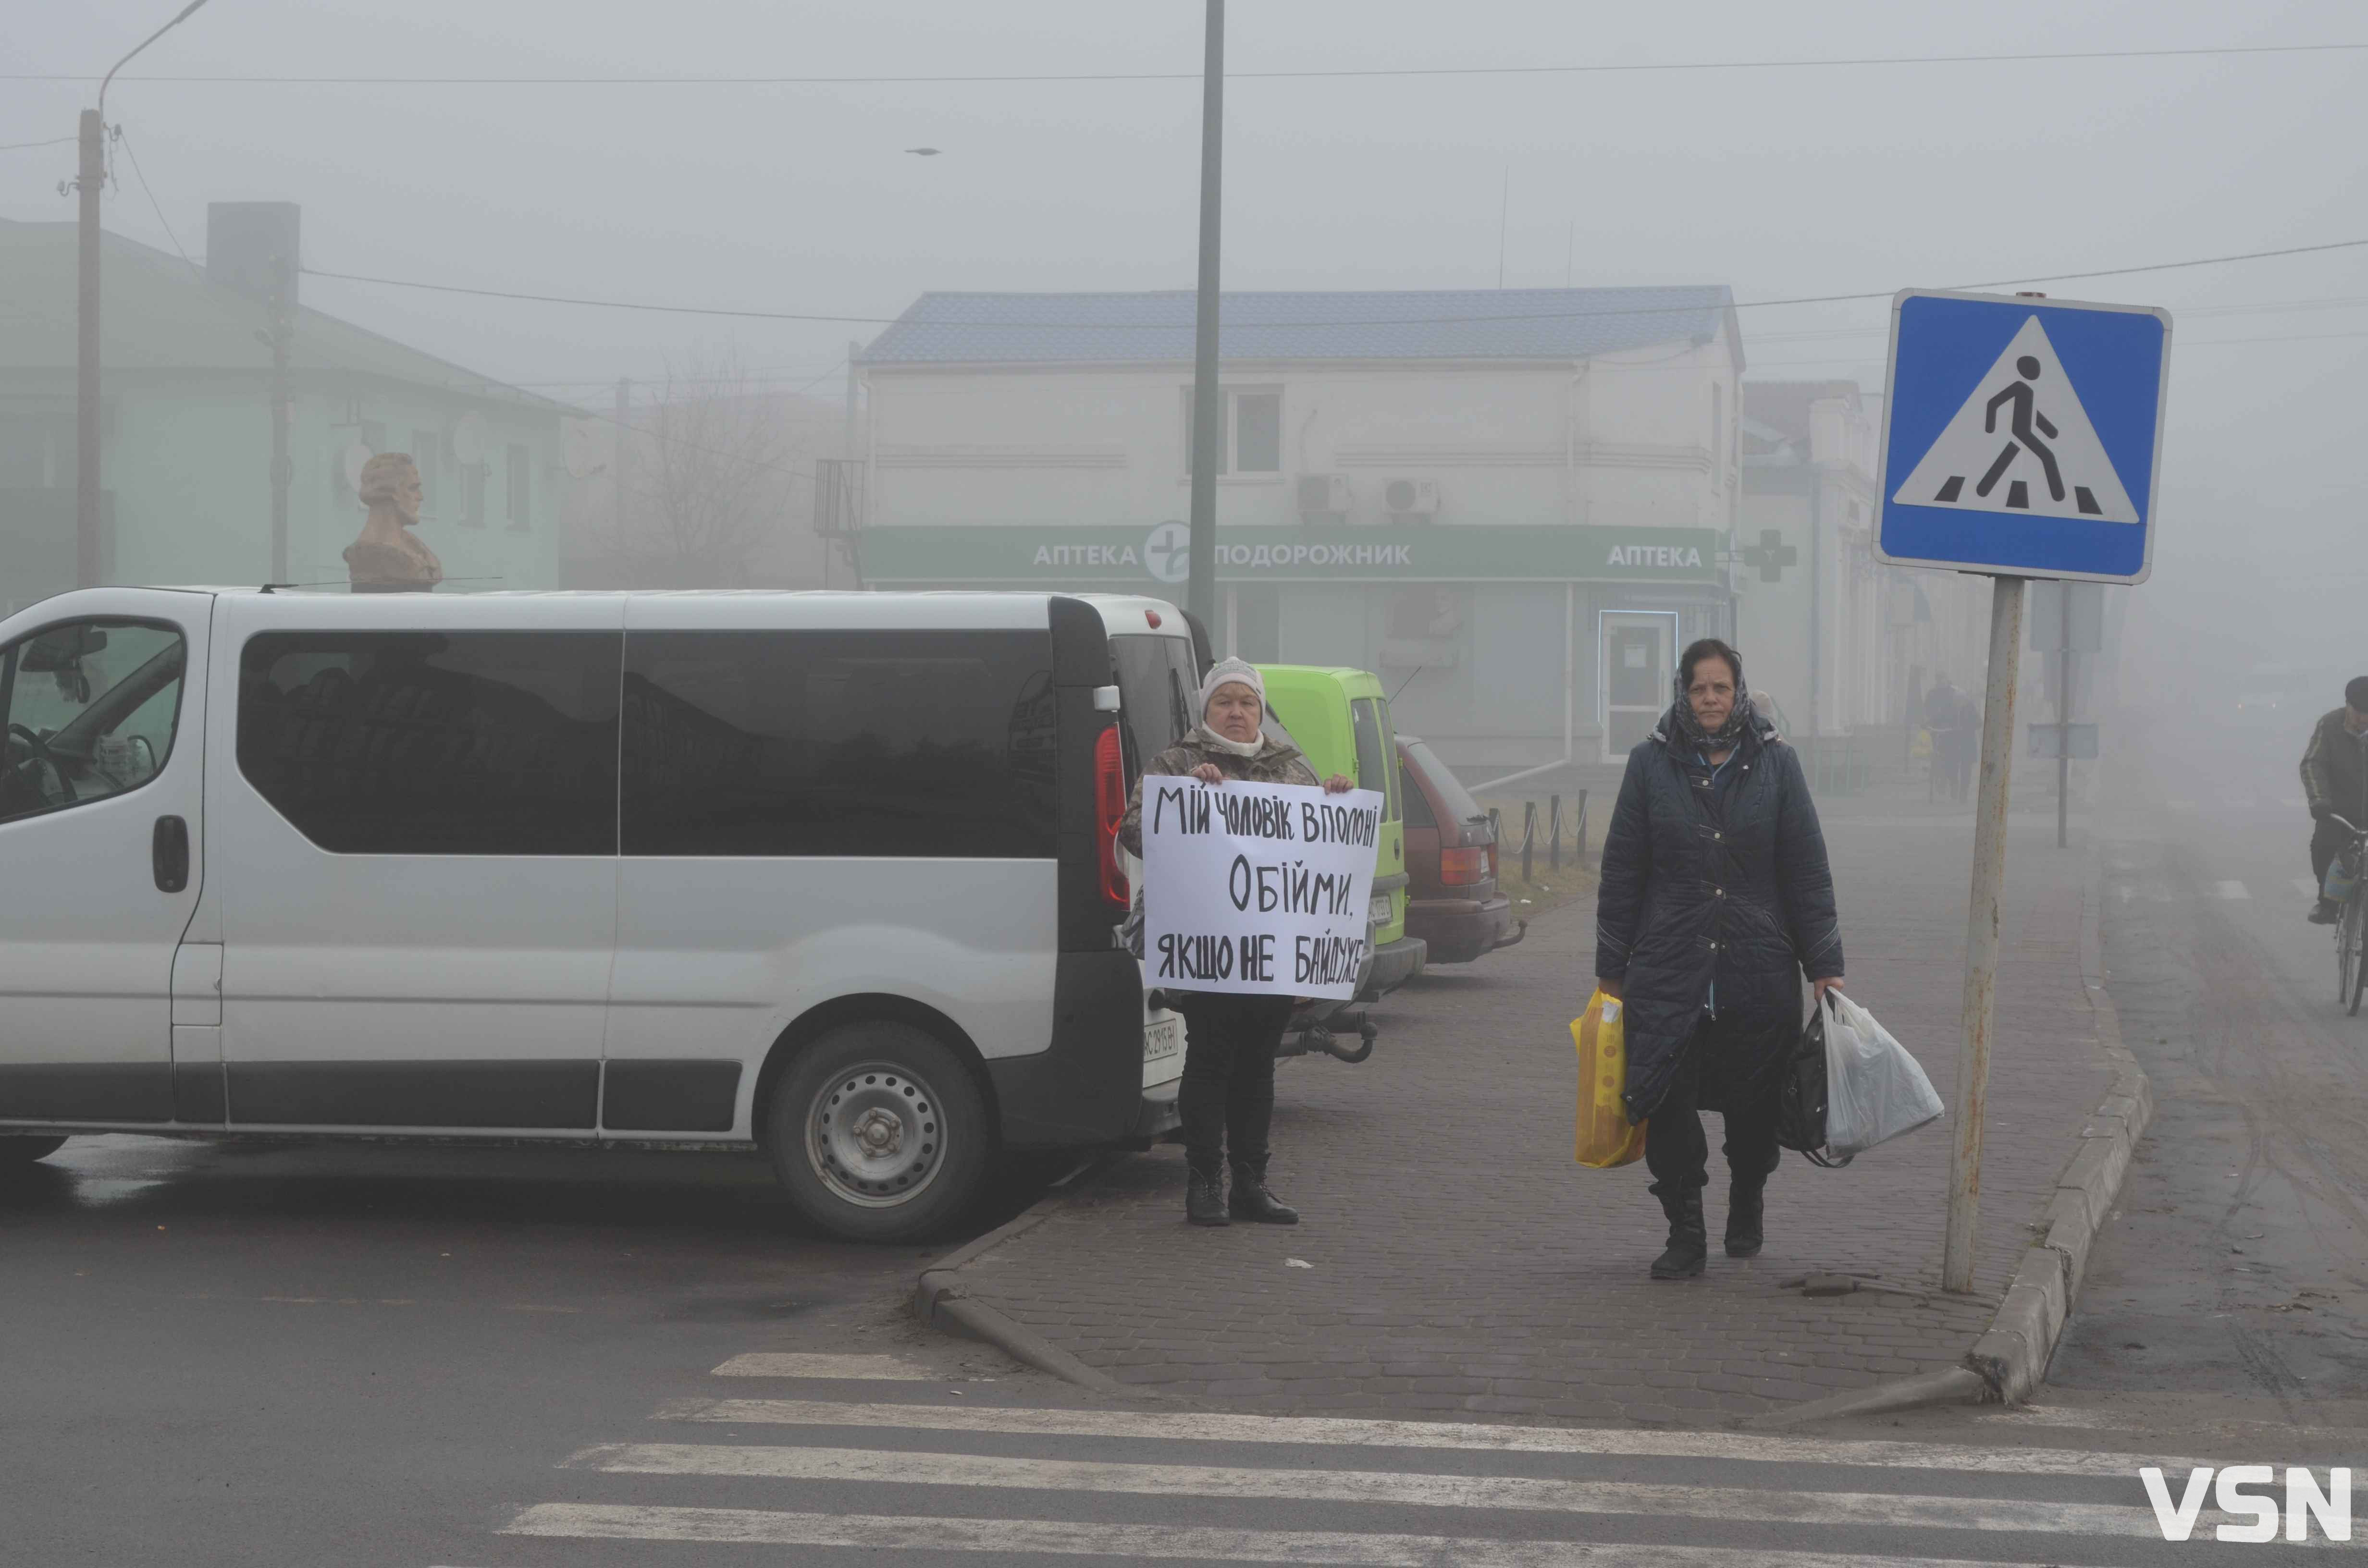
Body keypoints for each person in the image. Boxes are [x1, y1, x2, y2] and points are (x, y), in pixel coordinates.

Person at [1594, 637, 1845, 1279]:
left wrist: (1824, 964)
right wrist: (1611, 970)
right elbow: (1623, 870)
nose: (1710, 699)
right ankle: (1684, 1230)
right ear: (1683, 693)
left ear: (1739, 694)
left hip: (1756, 967)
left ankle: (1747, 1198)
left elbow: (1806, 870)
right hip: (1668, 968)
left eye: (1721, 688)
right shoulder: (1649, 764)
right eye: (1699, 688)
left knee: (1754, 1110)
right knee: (1665, 1100)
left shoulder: (1777, 765)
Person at [1118, 657, 1355, 1227]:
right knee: (1209, 1061)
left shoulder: (1292, 769)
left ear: (1259, 710)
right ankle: (1204, 1183)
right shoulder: (1176, 762)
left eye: (1247, 702)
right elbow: (1131, 830)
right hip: (1206, 950)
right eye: (1225, 701)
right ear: (1207, 710)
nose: (1237, 712)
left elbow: (1312, 858)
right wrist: (1184, 797)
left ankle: (1252, 1183)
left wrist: (1333, 800)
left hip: (1270, 955)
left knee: (1257, 1067)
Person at [2300, 677, 2368, 924]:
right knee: (2322, 846)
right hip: (2337, 811)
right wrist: (2319, 800)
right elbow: (2312, 764)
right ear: (2348, 705)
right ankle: (2328, 904)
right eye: (2359, 712)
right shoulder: (2329, 726)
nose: (2364, 719)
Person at [343, 452, 444, 593]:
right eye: (413, 488)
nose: (420, 497)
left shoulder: (414, 549)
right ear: (390, 492)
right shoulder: (371, 555)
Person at [1924, 674, 1976, 804]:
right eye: (1956, 699)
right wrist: (1927, 723)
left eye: (1960, 698)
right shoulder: (1949, 709)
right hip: (1953, 742)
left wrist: (1967, 727)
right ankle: (1954, 784)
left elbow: (1978, 722)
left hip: (1967, 743)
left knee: (1966, 770)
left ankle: (1963, 793)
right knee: (1951, 766)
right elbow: (1938, 718)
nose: (1958, 700)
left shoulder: (1969, 708)